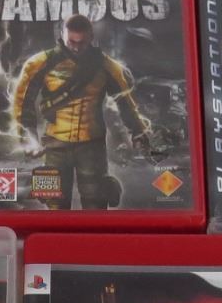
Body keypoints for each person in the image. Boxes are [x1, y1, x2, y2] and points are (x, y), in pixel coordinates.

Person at [12, 13, 152, 210]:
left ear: (91, 38)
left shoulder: (107, 66)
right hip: (55, 145)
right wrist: (28, 138)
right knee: (54, 204)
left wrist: (137, 132)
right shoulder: (39, 63)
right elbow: (22, 103)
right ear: (62, 35)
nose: (77, 47)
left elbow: (125, 102)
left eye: (82, 43)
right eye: (72, 42)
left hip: (91, 146)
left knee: (96, 203)